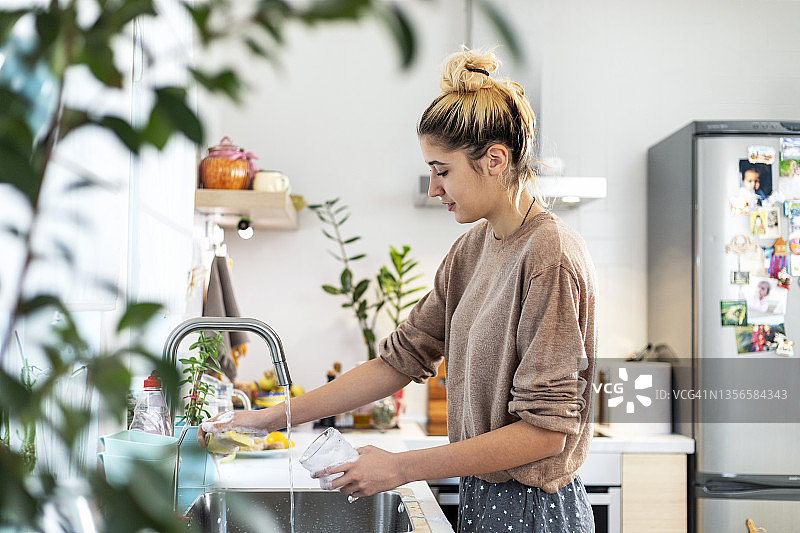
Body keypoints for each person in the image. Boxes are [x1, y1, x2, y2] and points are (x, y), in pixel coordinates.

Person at [198, 47, 598, 533]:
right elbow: (397, 362)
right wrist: (266, 419)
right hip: (483, 496)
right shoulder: (470, 251)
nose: (434, 188)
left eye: (442, 170)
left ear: (495, 159)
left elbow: (545, 435)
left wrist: (401, 467)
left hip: (534, 510)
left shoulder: (548, 255)